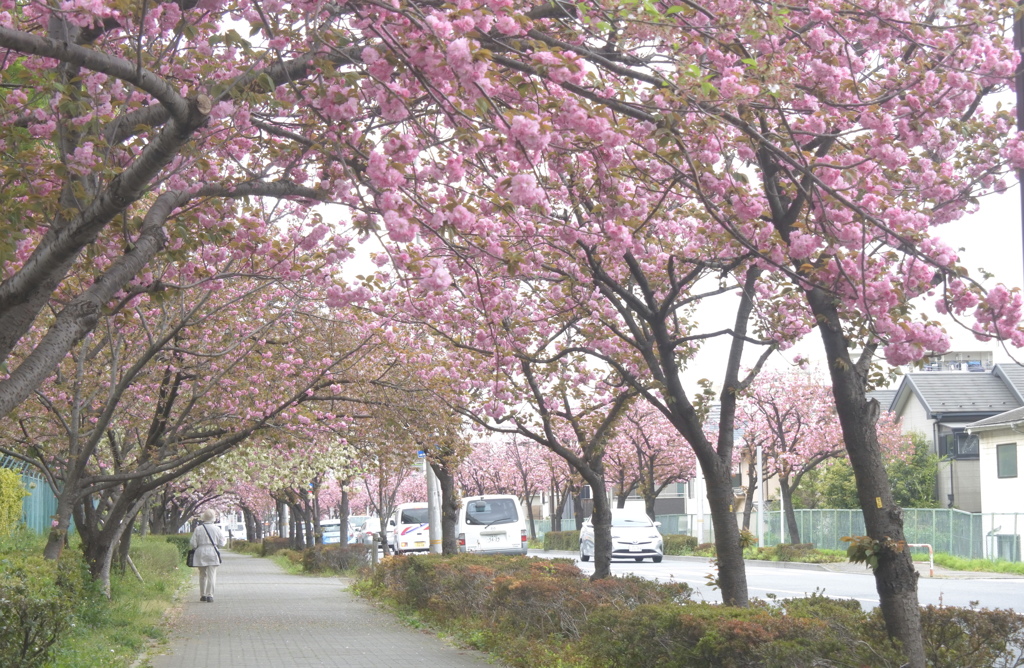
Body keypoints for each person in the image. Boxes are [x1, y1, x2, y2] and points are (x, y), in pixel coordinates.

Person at [190, 508, 225, 602]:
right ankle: (210, 595)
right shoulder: (217, 529)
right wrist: (216, 545)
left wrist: (197, 547)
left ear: (204, 518)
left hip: (200, 551)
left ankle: (202, 595)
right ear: (213, 518)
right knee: (212, 575)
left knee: (202, 575)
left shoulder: (198, 529)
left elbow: (193, 543)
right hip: (212, 551)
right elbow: (222, 543)